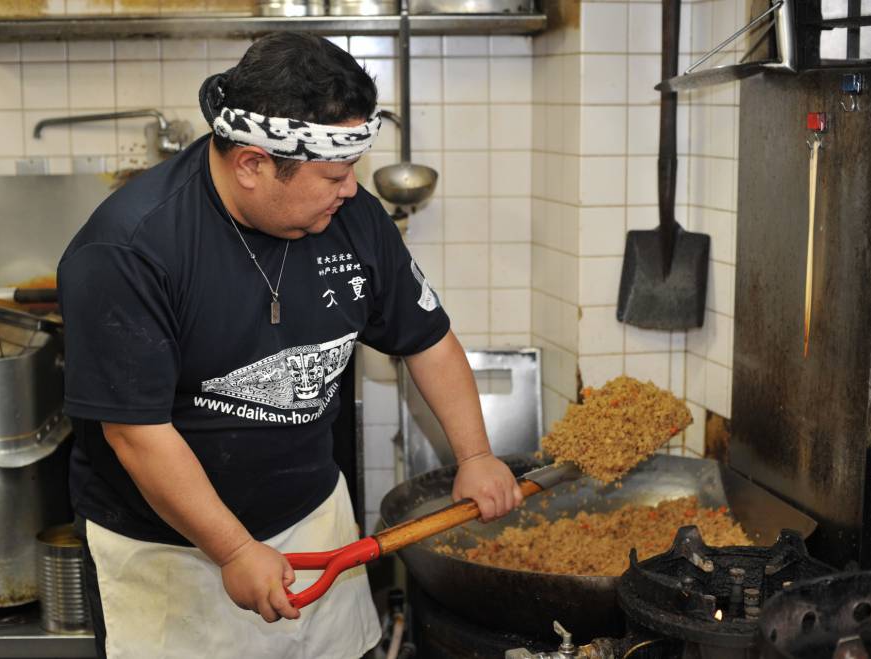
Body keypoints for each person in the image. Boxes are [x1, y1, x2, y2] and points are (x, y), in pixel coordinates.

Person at [57, 32, 522, 659]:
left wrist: (476, 454)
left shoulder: (351, 218)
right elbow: (137, 433)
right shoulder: (130, 250)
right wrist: (234, 548)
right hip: (172, 548)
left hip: (313, 517)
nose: (351, 190)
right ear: (251, 164)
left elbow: (428, 339)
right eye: (333, 174)